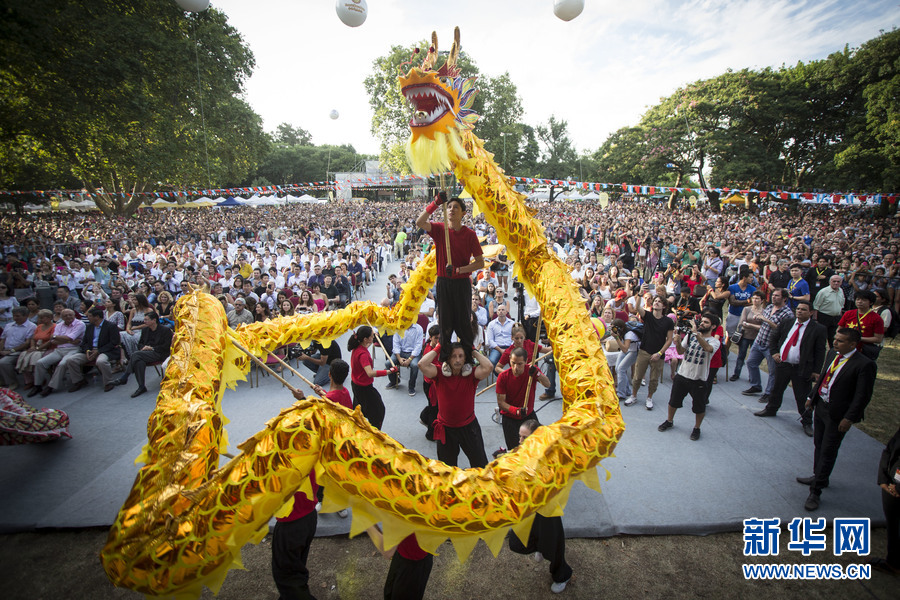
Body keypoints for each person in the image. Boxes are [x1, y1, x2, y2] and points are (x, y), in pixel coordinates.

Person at [796, 328, 876, 511]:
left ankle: (816, 491)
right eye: (835, 339)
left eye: (840, 341)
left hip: (838, 414)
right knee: (819, 444)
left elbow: (862, 396)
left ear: (853, 344)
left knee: (828, 450)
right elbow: (825, 376)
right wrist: (812, 396)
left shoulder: (864, 365)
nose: (835, 343)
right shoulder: (833, 354)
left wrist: (849, 418)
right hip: (822, 407)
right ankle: (818, 475)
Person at [415, 193, 485, 364]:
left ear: (463, 213)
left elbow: (480, 262)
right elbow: (419, 222)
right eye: (449, 207)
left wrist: (459, 270)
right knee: (445, 323)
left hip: (461, 283)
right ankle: (445, 360)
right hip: (444, 283)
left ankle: (467, 360)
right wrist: (436, 203)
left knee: (463, 323)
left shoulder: (469, 234)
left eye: (456, 207)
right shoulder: (440, 229)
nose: (452, 209)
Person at [506, 419, 573, 594]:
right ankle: (539, 547)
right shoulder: (522, 452)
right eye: (519, 437)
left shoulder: (549, 457)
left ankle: (562, 575)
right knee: (516, 542)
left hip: (547, 511)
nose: (520, 441)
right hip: (529, 509)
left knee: (554, 547)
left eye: (524, 438)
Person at [755, 300, 827, 437]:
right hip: (784, 364)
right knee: (777, 389)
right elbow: (774, 338)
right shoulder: (787, 323)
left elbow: (820, 351)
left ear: (811, 312)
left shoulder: (818, 329)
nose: (799, 311)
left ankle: (806, 421)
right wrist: (775, 352)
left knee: (801, 395)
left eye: (804, 309)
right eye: (798, 309)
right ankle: (771, 409)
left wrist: (816, 371)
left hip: (802, 367)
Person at [417, 342, 492, 468]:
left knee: (481, 466)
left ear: (465, 358)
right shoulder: (439, 374)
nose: (457, 360)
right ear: (447, 358)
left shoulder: (471, 375)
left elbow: (488, 366)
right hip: (445, 429)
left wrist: (471, 349)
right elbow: (421, 364)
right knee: (447, 470)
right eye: (453, 356)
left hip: (469, 428)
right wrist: (440, 346)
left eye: (461, 356)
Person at [657, 313, 721, 441]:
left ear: (713, 326)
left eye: (706, 322)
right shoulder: (690, 336)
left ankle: (697, 428)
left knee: (699, 407)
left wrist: (696, 333)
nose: (702, 323)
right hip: (682, 374)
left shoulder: (714, 341)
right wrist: (679, 342)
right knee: (673, 401)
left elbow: (707, 348)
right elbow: (681, 351)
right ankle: (669, 420)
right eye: (702, 321)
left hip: (699, 379)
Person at [271, 472, 320, 600]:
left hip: (290, 524)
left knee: (287, 577)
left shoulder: (284, 458)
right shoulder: (309, 453)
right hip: (308, 517)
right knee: (294, 567)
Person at [743, 288, 794, 403]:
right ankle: (756, 385)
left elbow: (783, 331)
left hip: (771, 346)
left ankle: (769, 393)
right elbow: (763, 323)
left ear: (784, 298)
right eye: (773, 295)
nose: (773, 297)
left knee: (773, 371)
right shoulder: (770, 307)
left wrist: (766, 320)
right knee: (751, 363)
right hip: (759, 340)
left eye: (777, 296)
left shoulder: (788, 314)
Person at [496, 347, 551, 450]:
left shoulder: (531, 370)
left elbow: (548, 384)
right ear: (509, 360)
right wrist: (516, 411)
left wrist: (537, 374)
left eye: (520, 364)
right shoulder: (503, 377)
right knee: (515, 451)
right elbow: (501, 403)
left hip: (528, 416)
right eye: (513, 363)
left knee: (537, 446)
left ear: (526, 361)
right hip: (510, 418)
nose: (516, 367)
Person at [625, 295, 674, 410]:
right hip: (644, 351)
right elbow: (637, 307)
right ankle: (634, 396)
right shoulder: (648, 316)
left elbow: (669, 340)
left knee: (653, 379)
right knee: (637, 376)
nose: (656, 303)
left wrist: (659, 353)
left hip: (658, 354)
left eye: (659, 301)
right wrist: (640, 294)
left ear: (664, 306)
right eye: (655, 301)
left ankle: (649, 398)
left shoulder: (668, 321)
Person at [111, 311, 174, 398]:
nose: (144, 322)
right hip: (145, 353)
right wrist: (144, 347)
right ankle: (141, 386)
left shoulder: (165, 330)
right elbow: (140, 343)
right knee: (139, 361)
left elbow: (167, 346)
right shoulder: (145, 330)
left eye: (146, 320)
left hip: (160, 353)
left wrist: (152, 348)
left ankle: (125, 377)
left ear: (154, 320)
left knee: (136, 355)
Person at [347, 326, 396, 430]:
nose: (374, 336)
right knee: (378, 411)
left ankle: (360, 428)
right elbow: (370, 373)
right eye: (372, 336)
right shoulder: (363, 354)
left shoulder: (358, 347)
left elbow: (365, 348)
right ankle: (375, 432)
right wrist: (388, 371)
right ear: (365, 339)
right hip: (364, 388)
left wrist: (371, 340)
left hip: (356, 384)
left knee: (359, 410)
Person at [63, 307, 122, 393]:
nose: (88, 318)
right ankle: (79, 381)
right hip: (90, 350)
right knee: (71, 360)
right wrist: (87, 351)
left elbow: (114, 342)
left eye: (90, 316)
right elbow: (84, 342)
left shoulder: (111, 326)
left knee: (101, 361)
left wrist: (98, 351)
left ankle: (109, 382)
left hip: (105, 350)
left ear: (97, 317)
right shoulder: (90, 327)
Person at [30, 308, 85, 398]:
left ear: (74, 315)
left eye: (70, 315)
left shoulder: (80, 324)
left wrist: (60, 338)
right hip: (59, 350)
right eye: (65, 315)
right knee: (40, 363)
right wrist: (65, 339)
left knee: (62, 364)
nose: (68, 317)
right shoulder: (59, 325)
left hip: (73, 349)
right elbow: (53, 339)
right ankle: (37, 385)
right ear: (61, 317)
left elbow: (70, 338)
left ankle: (50, 387)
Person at [869, 424, 900, 574]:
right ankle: (893, 561)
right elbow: (890, 449)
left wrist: (899, 487)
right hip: (890, 482)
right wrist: (882, 478)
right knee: (893, 523)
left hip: (896, 487)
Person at [837, 289, 884, 361]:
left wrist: (858, 339)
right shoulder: (848, 313)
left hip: (863, 351)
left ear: (870, 302)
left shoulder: (876, 318)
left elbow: (878, 339)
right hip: (845, 348)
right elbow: (839, 329)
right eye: (858, 299)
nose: (860, 302)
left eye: (864, 300)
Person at [0, 307, 36, 390]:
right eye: (14, 316)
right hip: (5, 349)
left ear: (26, 316)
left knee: (3, 362)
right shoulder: (8, 325)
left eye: (18, 316)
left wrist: (11, 351)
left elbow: (27, 343)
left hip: (18, 351)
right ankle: (2, 380)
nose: (15, 318)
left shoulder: (31, 326)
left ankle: (12, 382)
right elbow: (3, 340)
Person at [384, 322, 423, 396]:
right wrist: (399, 358)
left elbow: (418, 346)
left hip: (413, 353)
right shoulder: (398, 327)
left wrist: (409, 359)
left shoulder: (419, 329)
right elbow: (396, 345)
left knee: (415, 365)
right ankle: (394, 381)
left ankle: (411, 386)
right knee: (388, 363)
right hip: (400, 352)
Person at [812, 274, 845, 347]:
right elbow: (816, 306)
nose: (836, 283)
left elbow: (841, 306)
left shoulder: (841, 291)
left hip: (836, 318)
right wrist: (815, 319)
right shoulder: (823, 292)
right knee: (821, 338)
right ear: (830, 282)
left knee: (834, 338)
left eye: (838, 281)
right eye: (834, 281)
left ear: (841, 282)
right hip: (824, 317)